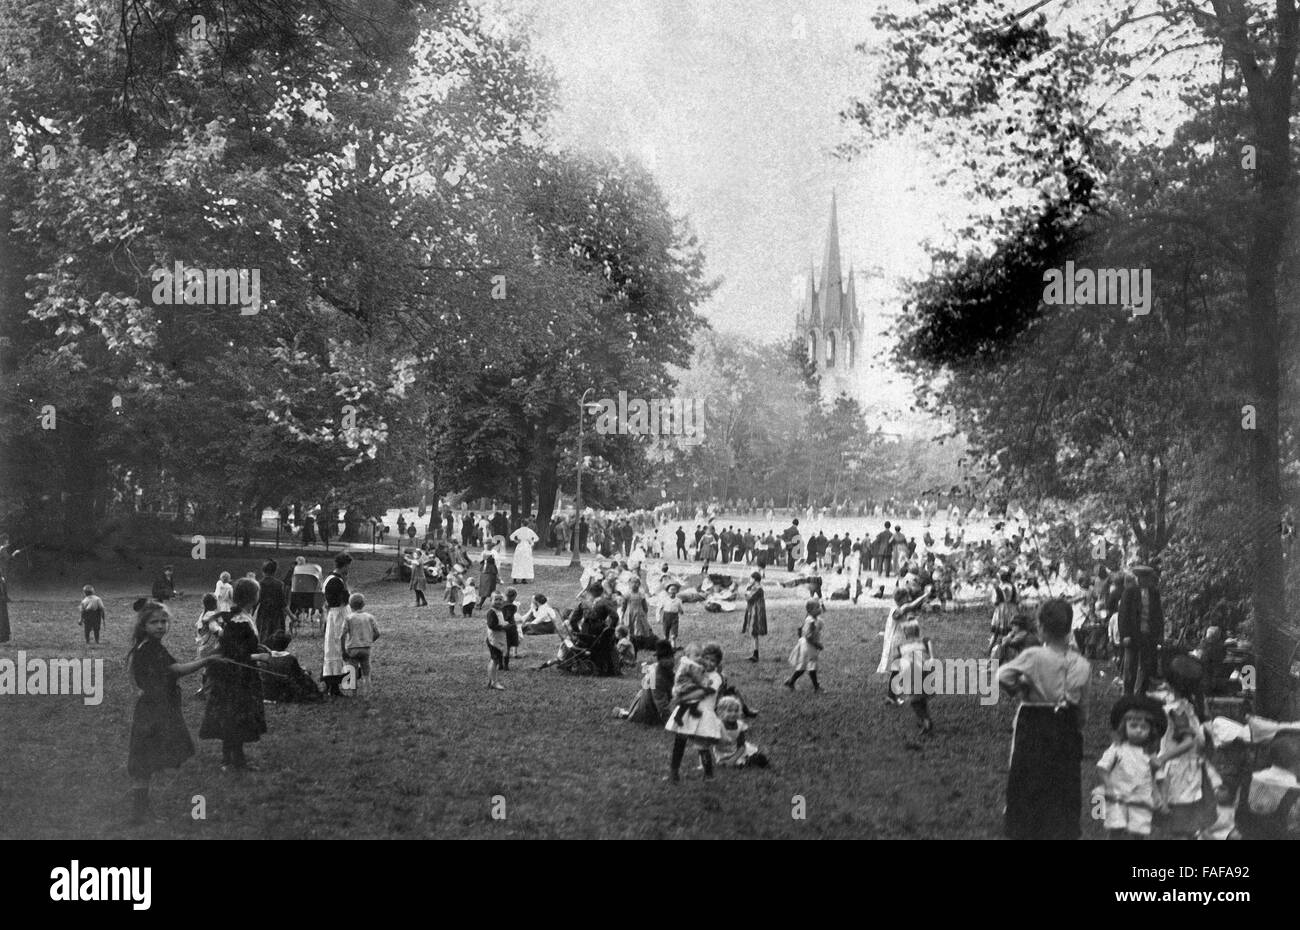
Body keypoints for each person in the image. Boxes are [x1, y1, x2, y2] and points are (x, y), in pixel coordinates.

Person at [997, 598, 1092, 840]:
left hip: (1034, 720)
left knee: (1028, 777)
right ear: (1069, 628)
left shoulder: (1034, 656)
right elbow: (1082, 707)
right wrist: (1076, 726)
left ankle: (1026, 829)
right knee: (1063, 782)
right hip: (1066, 725)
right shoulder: (1081, 664)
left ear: (1040, 627)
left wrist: (1020, 687)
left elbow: (1002, 675)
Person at [125, 601, 215, 824]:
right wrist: (207, 660)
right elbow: (176, 670)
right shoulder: (151, 648)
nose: (160, 626)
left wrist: (139, 689)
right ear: (143, 625)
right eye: (154, 622)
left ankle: (140, 810)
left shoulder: (146, 645)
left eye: (164, 621)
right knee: (145, 759)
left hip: (151, 706)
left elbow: (133, 671)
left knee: (143, 759)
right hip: (156, 709)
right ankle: (139, 812)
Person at [198, 578, 270, 771]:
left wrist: (256, 646)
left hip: (237, 674)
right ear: (253, 597)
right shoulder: (239, 621)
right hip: (237, 676)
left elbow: (236, 644)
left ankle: (232, 760)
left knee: (233, 718)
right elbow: (236, 654)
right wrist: (259, 655)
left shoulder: (239, 617)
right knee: (236, 716)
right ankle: (232, 761)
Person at [1153, 657, 1213, 838]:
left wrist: (1162, 758)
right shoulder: (1189, 705)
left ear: (1170, 684)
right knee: (1183, 819)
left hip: (1178, 769)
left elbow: (1188, 742)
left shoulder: (1177, 710)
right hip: (1189, 768)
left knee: (1177, 819)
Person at [1096, 694, 1167, 839]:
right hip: (1118, 796)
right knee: (1115, 828)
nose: (1139, 730)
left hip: (1141, 798)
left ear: (1150, 731)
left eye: (1144, 727)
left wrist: (1160, 797)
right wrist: (1108, 787)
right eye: (1133, 726)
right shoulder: (1117, 749)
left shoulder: (1149, 755)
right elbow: (1102, 768)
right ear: (1124, 727)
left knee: (1139, 830)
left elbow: (1157, 778)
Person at [665, 642, 724, 782]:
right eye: (707, 659)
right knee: (680, 740)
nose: (709, 663)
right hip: (688, 712)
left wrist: (681, 698)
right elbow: (683, 682)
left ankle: (708, 775)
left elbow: (703, 692)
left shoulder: (716, 677)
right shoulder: (696, 669)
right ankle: (674, 773)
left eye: (713, 661)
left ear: (717, 663)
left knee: (702, 745)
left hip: (703, 713)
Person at [1118, 565, 1164, 695]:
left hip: (1148, 634)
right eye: (1141, 577)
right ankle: (1127, 694)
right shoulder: (1129, 592)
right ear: (1138, 578)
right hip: (1133, 634)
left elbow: (1158, 615)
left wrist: (1159, 634)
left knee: (1146, 665)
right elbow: (1123, 615)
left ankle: (1141, 693)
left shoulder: (1154, 593)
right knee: (1130, 666)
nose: (1143, 580)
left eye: (1146, 577)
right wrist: (1125, 635)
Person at [615, 639, 677, 724]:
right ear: (660, 660)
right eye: (666, 658)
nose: (671, 661)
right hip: (646, 714)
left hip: (652, 707)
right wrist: (672, 723)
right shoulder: (656, 677)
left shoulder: (668, 671)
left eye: (671, 657)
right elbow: (661, 704)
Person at [895, 619, 934, 737]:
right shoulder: (922, 643)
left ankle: (925, 719)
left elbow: (898, 661)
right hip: (924, 672)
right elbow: (928, 640)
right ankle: (924, 719)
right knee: (922, 698)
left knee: (913, 701)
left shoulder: (902, 646)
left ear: (905, 633)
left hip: (911, 675)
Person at [321, 553, 352, 698]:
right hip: (338, 615)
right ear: (345, 566)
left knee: (334, 648)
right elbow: (344, 600)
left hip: (334, 614)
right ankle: (335, 685)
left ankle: (334, 684)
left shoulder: (329, 578)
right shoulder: (337, 581)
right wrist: (345, 583)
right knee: (338, 647)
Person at [341, 593, 381, 699]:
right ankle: (367, 694)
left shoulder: (348, 618)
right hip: (366, 649)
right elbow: (377, 633)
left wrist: (343, 650)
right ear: (364, 604)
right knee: (366, 671)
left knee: (351, 671)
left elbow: (342, 635)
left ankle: (353, 694)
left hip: (352, 648)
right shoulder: (369, 617)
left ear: (350, 605)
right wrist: (369, 641)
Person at [713, 696, 766, 768]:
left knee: (760, 759)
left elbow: (741, 746)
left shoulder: (740, 725)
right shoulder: (717, 725)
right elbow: (708, 744)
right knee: (729, 764)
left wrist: (733, 759)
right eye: (729, 711)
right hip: (723, 753)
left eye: (736, 711)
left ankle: (750, 760)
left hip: (738, 750)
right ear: (721, 712)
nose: (733, 714)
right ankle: (744, 762)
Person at [784, 598, 824, 692]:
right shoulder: (810, 621)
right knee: (811, 666)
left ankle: (791, 681)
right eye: (817, 607)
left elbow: (803, 630)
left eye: (819, 606)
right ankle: (816, 687)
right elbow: (808, 636)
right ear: (810, 611)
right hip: (809, 646)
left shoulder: (813, 619)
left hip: (807, 645)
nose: (819, 609)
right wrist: (817, 644)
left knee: (803, 667)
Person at [256, 560, 287, 643]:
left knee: (263, 633)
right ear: (275, 571)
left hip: (263, 613)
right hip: (277, 614)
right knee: (276, 636)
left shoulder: (259, 584)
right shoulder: (279, 584)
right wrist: (292, 616)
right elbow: (283, 603)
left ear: (263, 571)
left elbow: (255, 602)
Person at [621, 578, 654, 651]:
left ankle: (639, 644)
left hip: (639, 613)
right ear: (629, 584)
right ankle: (630, 643)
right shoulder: (627, 594)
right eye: (632, 583)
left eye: (636, 583)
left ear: (639, 584)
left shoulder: (641, 594)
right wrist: (622, 615)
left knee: (639, 628)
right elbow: (624, 605)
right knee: (630, 628)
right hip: (630, 613)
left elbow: (644, 605)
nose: (634, 585)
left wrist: (645, 612)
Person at [741, 571, 767, 663]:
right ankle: (755, 654)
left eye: (751, 578)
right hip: (753, 611)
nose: (749, 580)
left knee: (754, 632)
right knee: (754, 634)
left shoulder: (758, 588)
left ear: (755, 579)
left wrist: (746, 590)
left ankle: (756, 655)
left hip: (756, 612)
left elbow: (749, 597)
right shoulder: (755, 587)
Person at [484, 591, 508, 690]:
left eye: (500, 599)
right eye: (496, 599)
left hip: (497, 639)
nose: (498, 601)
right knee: (494, 660)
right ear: (491, 601)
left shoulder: (499, 611)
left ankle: (491, 681)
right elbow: (491, 625)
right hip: (493, 640)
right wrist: (504, 627)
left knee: (495, 660)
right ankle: (494, 682)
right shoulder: (491, 612)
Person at [658, 581, 683, 647]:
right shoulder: (665, 599)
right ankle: (665, 647)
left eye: (675, 589)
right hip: (666, 617)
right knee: (666, 634)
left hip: (674, 618)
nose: (673, 591)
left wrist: (681, 611)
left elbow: (680, 608)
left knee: (673, 636)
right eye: (671, 589)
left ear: (677, 591)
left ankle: (673, 647)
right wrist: (658, 617)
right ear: (668, 590)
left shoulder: (678, 600)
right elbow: (659, 608)